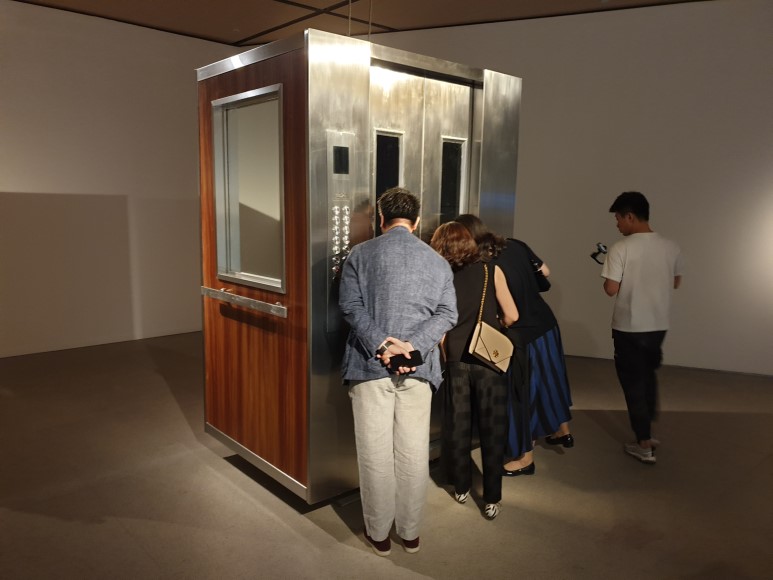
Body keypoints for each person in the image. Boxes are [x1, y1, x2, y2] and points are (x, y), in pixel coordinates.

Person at [338, 187, 457, 556]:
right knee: (413, 453)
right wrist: (413, 347)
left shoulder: (360, 254)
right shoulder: (437, 262)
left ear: (381, 219)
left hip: (369, 365)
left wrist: (383, 345)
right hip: (419, 369)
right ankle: (410, 532)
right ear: (416, 221)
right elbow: (448, 314)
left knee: (374, 454)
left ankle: (378, 532)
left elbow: (350, 306)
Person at [455, 215, 573, 477]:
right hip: (546, 324)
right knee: (550, 381)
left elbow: (507, 314)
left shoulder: (484, 266)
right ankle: (562, 431)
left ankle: (524, 458)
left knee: (521, 394)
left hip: (521, 335)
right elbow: (545, 272)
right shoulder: (514, 244)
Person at [430, 222, 518, 520]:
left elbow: (440, 324)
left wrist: (448, 350)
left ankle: (462, 487)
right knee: (493, 428)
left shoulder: (441, 275)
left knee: (458, 426)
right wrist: (495, 324)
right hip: (489, 359)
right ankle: (492, 498)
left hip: (456, 359)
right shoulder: (491, 271)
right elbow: (512, 315)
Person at [601, 191, 684, 464]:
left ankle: (644, 443)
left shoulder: (620, 248)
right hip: (658, 325)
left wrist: (620, 277)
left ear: (630, 216)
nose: (617, 224)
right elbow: (676, 282)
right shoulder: (671, 246)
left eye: (617, 218)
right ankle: (648, 429)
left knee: (632, 383)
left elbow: (610, 289)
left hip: (629, 327)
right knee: (647, 375)